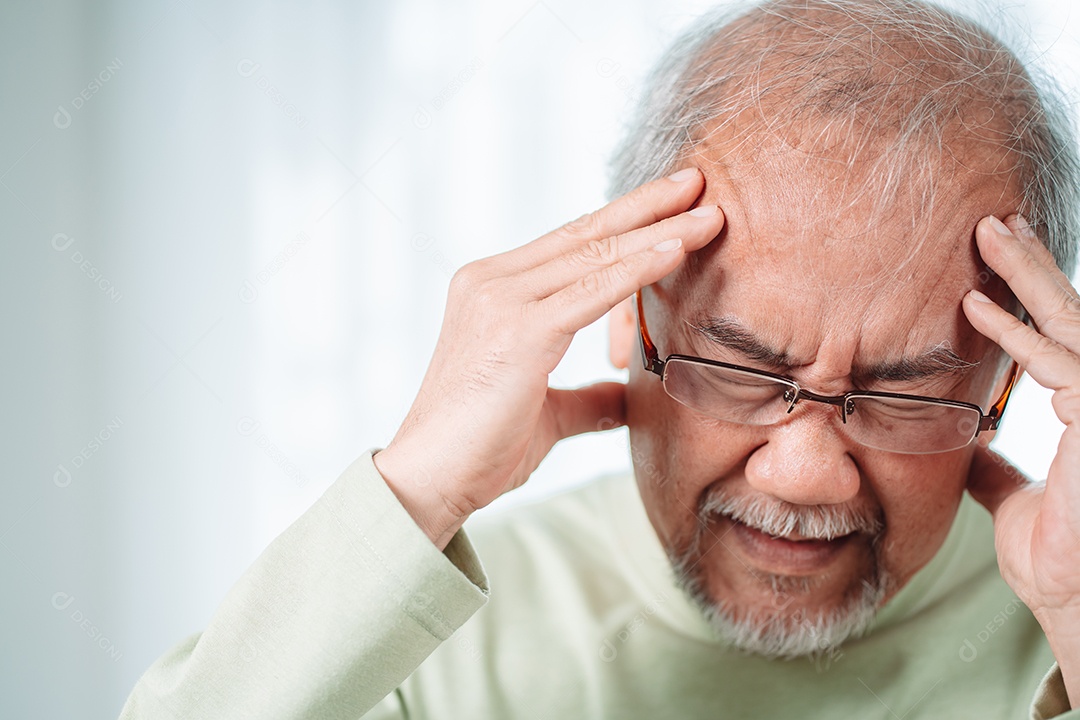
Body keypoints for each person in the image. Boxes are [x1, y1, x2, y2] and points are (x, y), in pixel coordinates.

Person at [119, 0, 1080, 717]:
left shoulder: (1056, 615)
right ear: (627, 310)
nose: (802, 474)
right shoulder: (412, 629)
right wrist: (416, 494)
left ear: (1009, 379)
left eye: (904, 393)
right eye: (739, 367)